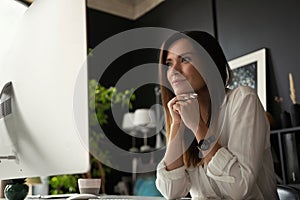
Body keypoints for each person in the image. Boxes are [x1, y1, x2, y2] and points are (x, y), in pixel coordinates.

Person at [155, 31, 278, 199]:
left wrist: (198, 126)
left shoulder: (242, 100)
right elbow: (171, 191)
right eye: (169, 64)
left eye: (185, 59)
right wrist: (177, 125)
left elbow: (239, 189)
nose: (173, 70)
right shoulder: (181, 116)